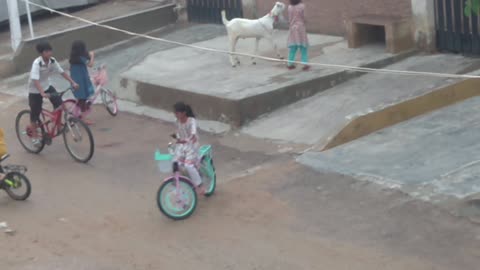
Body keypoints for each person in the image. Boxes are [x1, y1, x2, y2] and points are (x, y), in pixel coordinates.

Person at [28, 41, 78, 144]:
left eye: (50, 50)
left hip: (47, 86)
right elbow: (35, 80)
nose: (50, 53)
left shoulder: (52, 61)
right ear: (42, 53)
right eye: (47, 51)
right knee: (35, 115)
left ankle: (59, 128)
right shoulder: (37, 63)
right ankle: (35, 137)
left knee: (60, 104)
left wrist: (73, 82)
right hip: (35, 90)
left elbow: (62, 72)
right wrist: (41, 92)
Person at [172, 102, 205, 195]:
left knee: (188, 165)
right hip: (183, 146)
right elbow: (178, 133)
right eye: (175, 113)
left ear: (184, 113)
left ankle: (200, 185)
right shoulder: (177, 122)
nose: (176, 115)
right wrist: (176, 139)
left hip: (192, 146)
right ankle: (179, 181)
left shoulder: (191, 121)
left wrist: (184, 140)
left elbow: (193, 135)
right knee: (175, 162)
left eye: (177, 113)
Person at [69, 40, 95, 124]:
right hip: (81, 81)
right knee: (83, 99)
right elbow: (90, 64)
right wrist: (92, 56)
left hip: (75, 80)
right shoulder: (81, 58)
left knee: (80, 99)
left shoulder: (73, 58)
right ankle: (83, 118)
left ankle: (76, 113)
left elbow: (70, 68)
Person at [287, 0, 310, 71]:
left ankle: (290, 64)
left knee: (293, 47)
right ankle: (305, 65)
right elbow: (304, 17)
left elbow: (290, 19)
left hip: (293, 28)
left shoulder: (289, 7)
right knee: (303, 47)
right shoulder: (302, 6)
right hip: (300, 28)